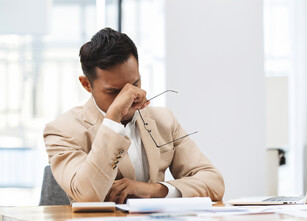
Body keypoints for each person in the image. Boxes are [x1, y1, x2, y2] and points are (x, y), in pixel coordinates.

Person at [43, 27, 225, 204]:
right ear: (86, 85)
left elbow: (214, 183)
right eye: (114, 91)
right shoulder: (62, 131)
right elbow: (88, 196)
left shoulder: (164, 120)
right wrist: (113, 118)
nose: (129, 96)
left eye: (134, 83)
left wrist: (155, 190)